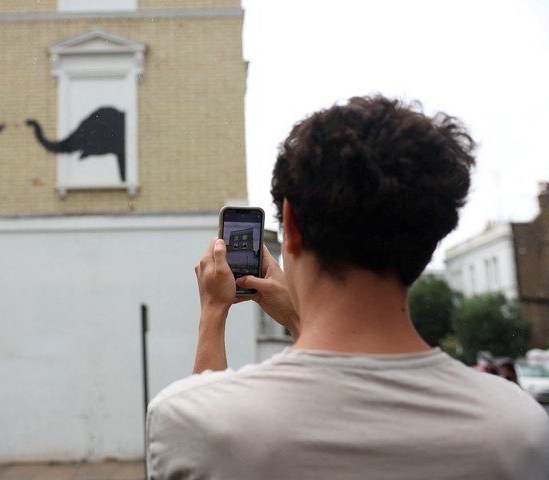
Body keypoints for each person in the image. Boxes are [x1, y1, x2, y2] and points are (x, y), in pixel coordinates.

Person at [146, 95, 549, 479]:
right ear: (429, 243)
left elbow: (207, 422)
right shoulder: (517, 429)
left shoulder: (188, 418)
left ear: (293, 224)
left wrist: (214, 312)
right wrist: (295, 315)